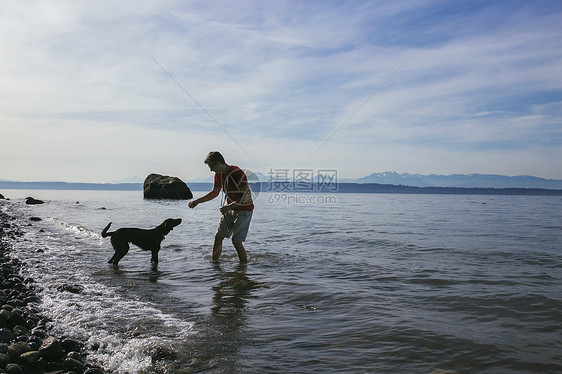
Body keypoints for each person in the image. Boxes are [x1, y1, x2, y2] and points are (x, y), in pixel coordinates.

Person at [188, 151, 254, 262]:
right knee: (218, 237)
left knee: (236, 241)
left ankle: (243, 270)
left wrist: (232, 205)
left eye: (211, 167)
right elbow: (214, 192)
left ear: (218, 163)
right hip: (229, 209)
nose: (211, 170)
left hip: (244, 209)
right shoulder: (218, 175)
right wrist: (197, 201)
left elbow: (246, 194)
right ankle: (214, 266)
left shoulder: (236, 172)